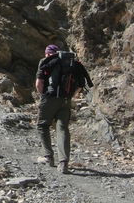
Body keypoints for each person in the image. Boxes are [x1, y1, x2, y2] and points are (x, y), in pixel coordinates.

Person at [35, 44, 92, 174]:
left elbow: (38, 83)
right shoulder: (73, 64)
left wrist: (44, 96)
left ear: (48, 53)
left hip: (49, 98)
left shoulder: (46, 62)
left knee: (42, 125)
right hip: (66, 100)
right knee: (62, 128)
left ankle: (48, 156)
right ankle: (64, 162)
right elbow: (80, 86)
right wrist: (70, 95)